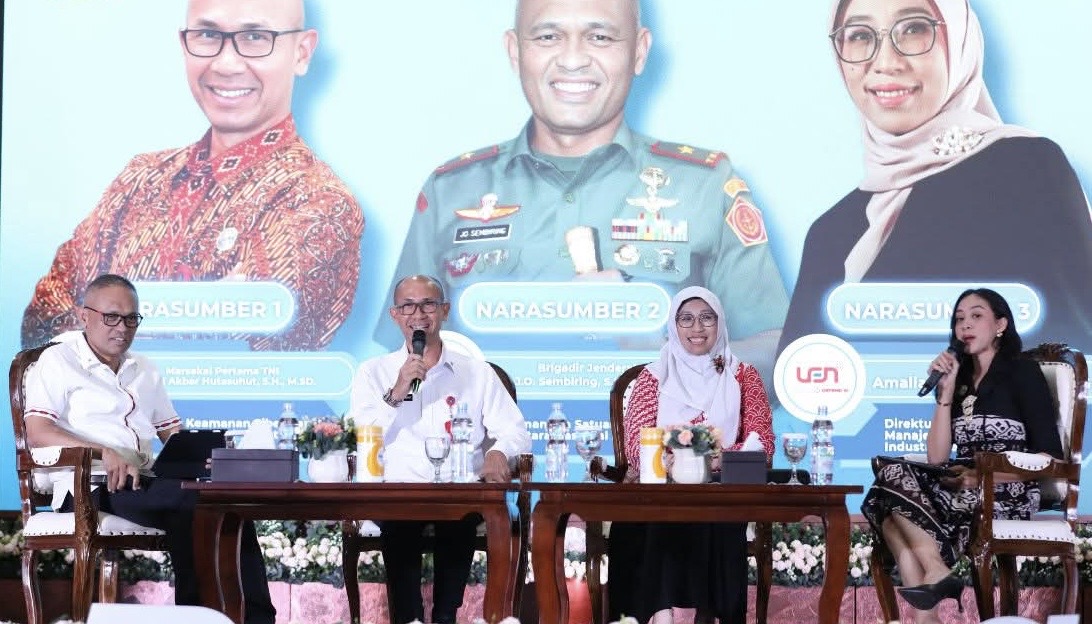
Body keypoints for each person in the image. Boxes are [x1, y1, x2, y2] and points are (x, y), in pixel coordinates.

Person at [380, 0, 788, 380]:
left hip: (651, 435)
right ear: (515, 51)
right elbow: (403, 361)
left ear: (639, 51)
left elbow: (775, 354)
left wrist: (666, 353)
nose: (573, 59)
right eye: (548, 36)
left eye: (600, 37)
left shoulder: (705, 186)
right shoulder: (451, 192)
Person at [21, 0, 364, 352]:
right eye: (207, 35)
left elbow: (238, 349)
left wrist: (101, 322)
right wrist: (194, 314)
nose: (226, 64)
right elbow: (43, 317)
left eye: (255, 37)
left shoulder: (320, 203)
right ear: (184, 44)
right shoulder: (140, 179)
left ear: (302, 53)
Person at [780, 0, 1092, 354]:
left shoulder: (1025, 168)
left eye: (914, 29)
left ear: (959, 41)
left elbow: (1074, 350)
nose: (885, 62)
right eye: (860, 36)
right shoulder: (830, 233)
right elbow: (795, 376)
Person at [22, 274, 275, 624]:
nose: (122, 328)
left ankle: (256, 618)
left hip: (142, 480)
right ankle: (198, 616)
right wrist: (103, 451)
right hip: (89, 486)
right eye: (112, 317)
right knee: (193, 506)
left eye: (131, 319)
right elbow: (38, 431)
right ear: (84, 316)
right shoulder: (59, 360)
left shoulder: (144, 368)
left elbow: (171, 432)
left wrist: (209, 453)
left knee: (225, 504)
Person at [860, 288, 1063, 624]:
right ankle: (936, 576)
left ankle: (928, 614)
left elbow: (1050, 457)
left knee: (892, 509)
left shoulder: (1022, 372)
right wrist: (946, 393)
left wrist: (984, 478)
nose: (965, 324)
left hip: (1006, 490)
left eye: (976, 316)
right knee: (890, 480)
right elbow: (937, 457)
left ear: (1000, 325)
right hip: (961, 483)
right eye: (959, 319)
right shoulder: (961, 378)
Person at [348, 274, 531, 624]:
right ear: (394, 315)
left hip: (459, 490)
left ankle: (446, 616)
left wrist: (498, 452)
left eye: (428, 304)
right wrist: (397, 391)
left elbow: (516, 431)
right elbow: (361, 434)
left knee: (458, 517)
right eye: (408, 306)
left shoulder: (476, 373)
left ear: (444, 311)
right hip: (398, 490)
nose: (418, 314)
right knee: (400, 521)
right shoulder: (373, 372)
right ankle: (408, 618)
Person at [607, 286, 775, 624]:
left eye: (706, 318)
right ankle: (659, 615)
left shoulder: (743, 375)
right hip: (662, 490)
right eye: (686, 319)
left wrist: (715, 460)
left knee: (713, 516)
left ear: (720, 322)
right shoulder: (653, 377)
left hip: (720, 490)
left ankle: (710, 615)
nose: (697, 328)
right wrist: (667, 463)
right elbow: (638, 442)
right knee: (650, 518)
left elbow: (763, 444)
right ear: (674, 325)